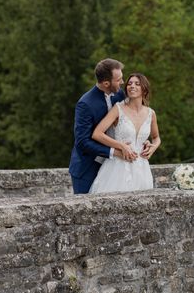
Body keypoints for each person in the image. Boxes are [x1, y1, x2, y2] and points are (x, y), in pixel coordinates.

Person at [68, 58, 137, 194]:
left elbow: (130, 121)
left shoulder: (120, 95)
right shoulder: (85, 104)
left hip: (114, 168)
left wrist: (141, 138)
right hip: (87, 168)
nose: (122, 83)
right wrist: (114, 152)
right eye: (119, 80)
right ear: (106, 83)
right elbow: (83, 142)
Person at [89, 73, 161, 193]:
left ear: (144, 89)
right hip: (117, 167)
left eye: (137, 84)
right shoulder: (118, 109)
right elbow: (97, 133)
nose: (132, 86)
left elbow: (156, 137)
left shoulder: (150, 113)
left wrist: (153, 147)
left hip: (142, 168)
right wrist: (121, 145)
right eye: (129, 83)